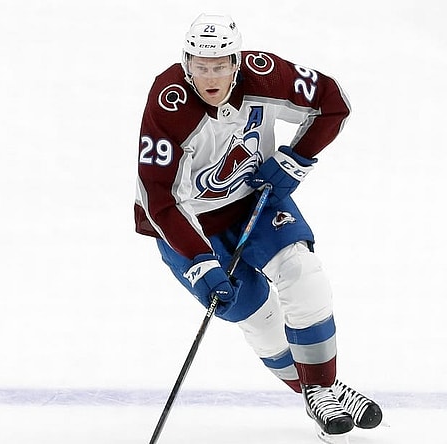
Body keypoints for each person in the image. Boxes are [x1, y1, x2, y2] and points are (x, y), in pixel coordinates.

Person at [134, 13, 383, 439]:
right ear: (186, 63)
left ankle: (319, 387)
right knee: (258, 316)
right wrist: (199, 261)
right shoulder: (168, 101)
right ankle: (321, 387)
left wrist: (296, 157)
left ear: (237, 61)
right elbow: (159, 195)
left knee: (303, 274)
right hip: (187, 223)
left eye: (219, 65)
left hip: (255, 201)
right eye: (199, 65)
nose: (209, 75)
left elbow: (332, 102)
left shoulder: (266, 75)